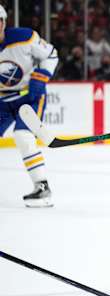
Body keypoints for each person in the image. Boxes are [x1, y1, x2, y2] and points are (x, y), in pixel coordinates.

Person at [0, 5, 58, 207]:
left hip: (29, 97)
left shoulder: (24, 37)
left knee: (23, 136)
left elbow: (51, 54)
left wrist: (41, 77)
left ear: (3, 23)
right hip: (2, 102)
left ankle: (42, 187)